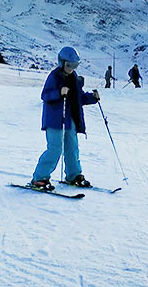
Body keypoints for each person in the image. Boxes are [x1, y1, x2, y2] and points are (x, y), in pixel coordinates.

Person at [30, 47, 99, 191]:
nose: (72, 68)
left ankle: (74, 175)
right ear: (61, 63)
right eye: (69, 65)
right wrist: (59, 93)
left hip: (70, 120)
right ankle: (39, 178)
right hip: (55, 120)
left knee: (72, 149)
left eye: (75, 65)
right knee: (55, 149)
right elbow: (45, 95)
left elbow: (78, 97)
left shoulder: (74, 78)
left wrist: (92, 98)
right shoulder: (54, 76)